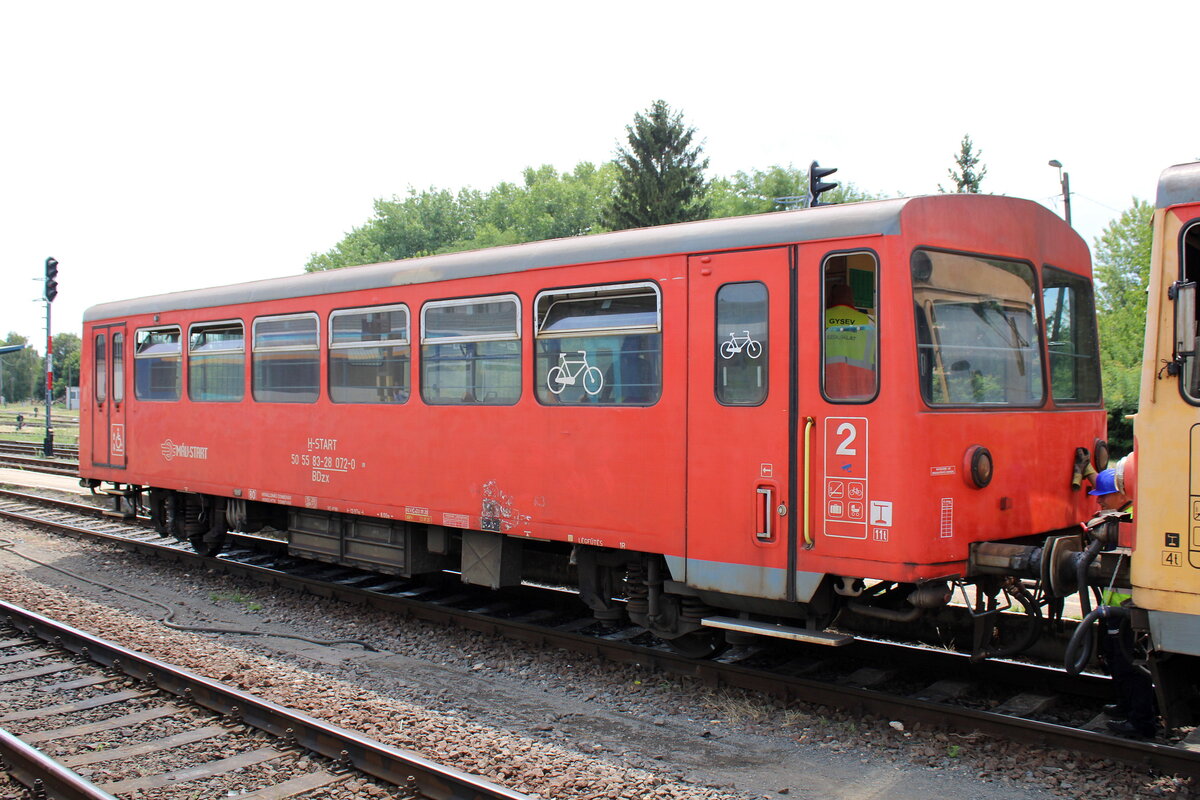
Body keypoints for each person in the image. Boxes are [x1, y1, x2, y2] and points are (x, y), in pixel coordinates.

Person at [1088, 466, 1158, 738]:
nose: (1099, 501)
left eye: (1104, 496)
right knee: (1116, 660)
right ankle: (1127, 706)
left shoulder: (1129, 524)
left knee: (1130, 664)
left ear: (1122, 493)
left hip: (1128, 611)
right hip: (1116, 609)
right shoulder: (1120, 518)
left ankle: (1141, 723)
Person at [824, 284, 876, 400]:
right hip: (862, 389)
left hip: (827, 387)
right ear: (852, 300)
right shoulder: (870, 322)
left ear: (830, 298)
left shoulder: (819, 319)